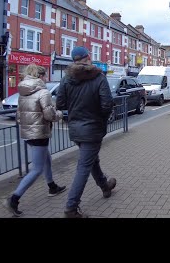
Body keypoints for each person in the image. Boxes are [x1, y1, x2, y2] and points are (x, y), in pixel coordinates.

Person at [56, 46, 115, 218]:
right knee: (83, 166)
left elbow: (60, 104)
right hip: (93, 128)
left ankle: (105, 186)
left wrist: (76, 109)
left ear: (74, 60)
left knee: (91, 160)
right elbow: (107, 105)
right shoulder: (98, 77)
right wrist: (101, 119)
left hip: (76, 129)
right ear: (88, 58)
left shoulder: (66, 78)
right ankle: (71, 208)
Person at [3, 64, 65, 217]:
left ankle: (52, 186)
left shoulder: (23, 92)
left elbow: (18, 116)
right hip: (39, 133)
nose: (46, 78)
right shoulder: (43, 92)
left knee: (46, 159)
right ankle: (14, 198)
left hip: (27, 133)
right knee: (37, 169)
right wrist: (60, 114)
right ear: (40, 76)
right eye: (45, 76)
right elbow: (50, 115)